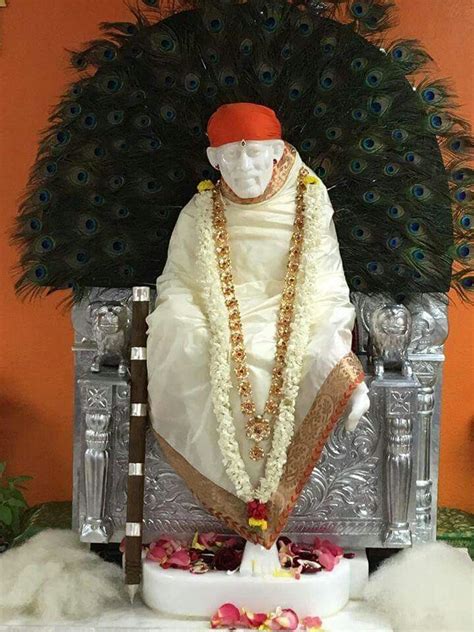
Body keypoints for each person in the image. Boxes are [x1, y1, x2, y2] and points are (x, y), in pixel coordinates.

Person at [146, 103, 369, 548]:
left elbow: (325, 278)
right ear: (214, 161)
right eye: (230, 156)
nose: (243, 167)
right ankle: (229, 499)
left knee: (315, 347)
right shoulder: (200, 209)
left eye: (253, 154)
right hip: (216, 314)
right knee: (182, 334)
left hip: (293, 309)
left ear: (275, 153)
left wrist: (319, 320)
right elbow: (179, 279)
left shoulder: (309, 196)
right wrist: (191, 315)